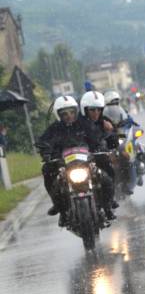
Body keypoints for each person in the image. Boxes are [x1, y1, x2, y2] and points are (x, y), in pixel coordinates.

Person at [36, 96, 115, 225]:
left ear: (76, 111)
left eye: (72, 112)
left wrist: (101, 144)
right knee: (48, 173)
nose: (69, 116)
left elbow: (97, 136)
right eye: (64, 113)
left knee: (105, 174)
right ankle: (61, 210)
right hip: (63, 163)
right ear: (58, 114)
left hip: (86, 159)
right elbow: (43, 142)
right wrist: (46, 152)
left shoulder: (84, 124)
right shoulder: (54, 128)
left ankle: (107, 207)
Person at [80, 91, 120, 216]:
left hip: (99, 156)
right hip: (80, 158)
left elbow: (114, 138)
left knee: (109, 174)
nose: (96, 113)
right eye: (92, 110)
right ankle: (64, 210)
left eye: (99, 109)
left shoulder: (105, 121)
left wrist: (112, 133)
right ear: (85, 109)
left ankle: (108, 205)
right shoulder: (77, 123)